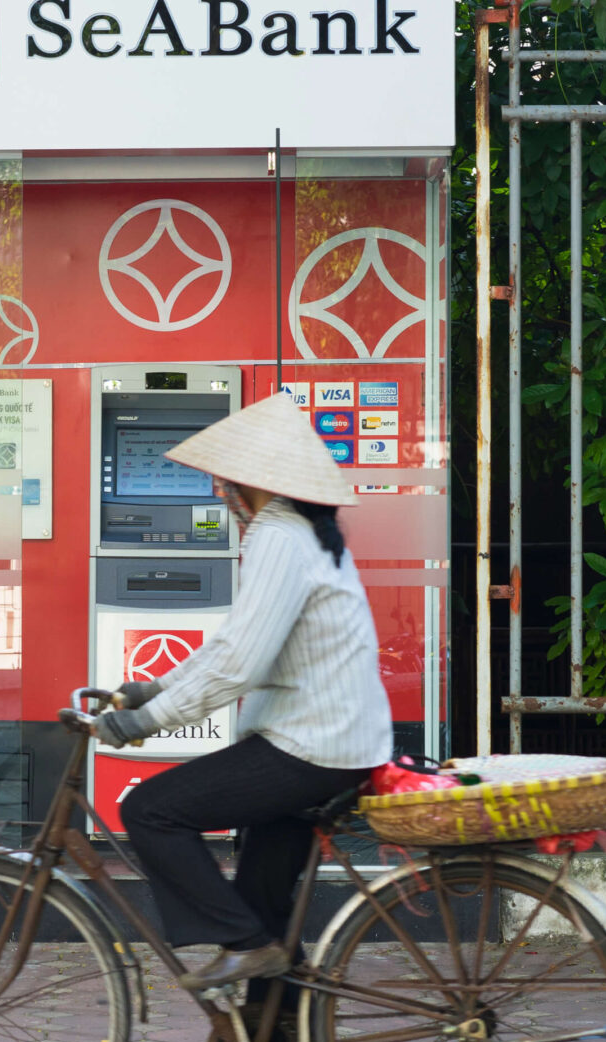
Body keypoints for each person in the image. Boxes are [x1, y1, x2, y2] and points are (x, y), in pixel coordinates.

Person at [68, 391, 394, 995]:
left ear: (257, 482)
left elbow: (238, 665)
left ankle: (243, 948)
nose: (220, 492)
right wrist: (154, 688)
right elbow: (233, 644)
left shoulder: (280, 536)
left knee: (151, 810)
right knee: (263, 915)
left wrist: (143, 724)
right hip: (334, 742)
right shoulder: (305, 533)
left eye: (226, 481)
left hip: (312, 746)